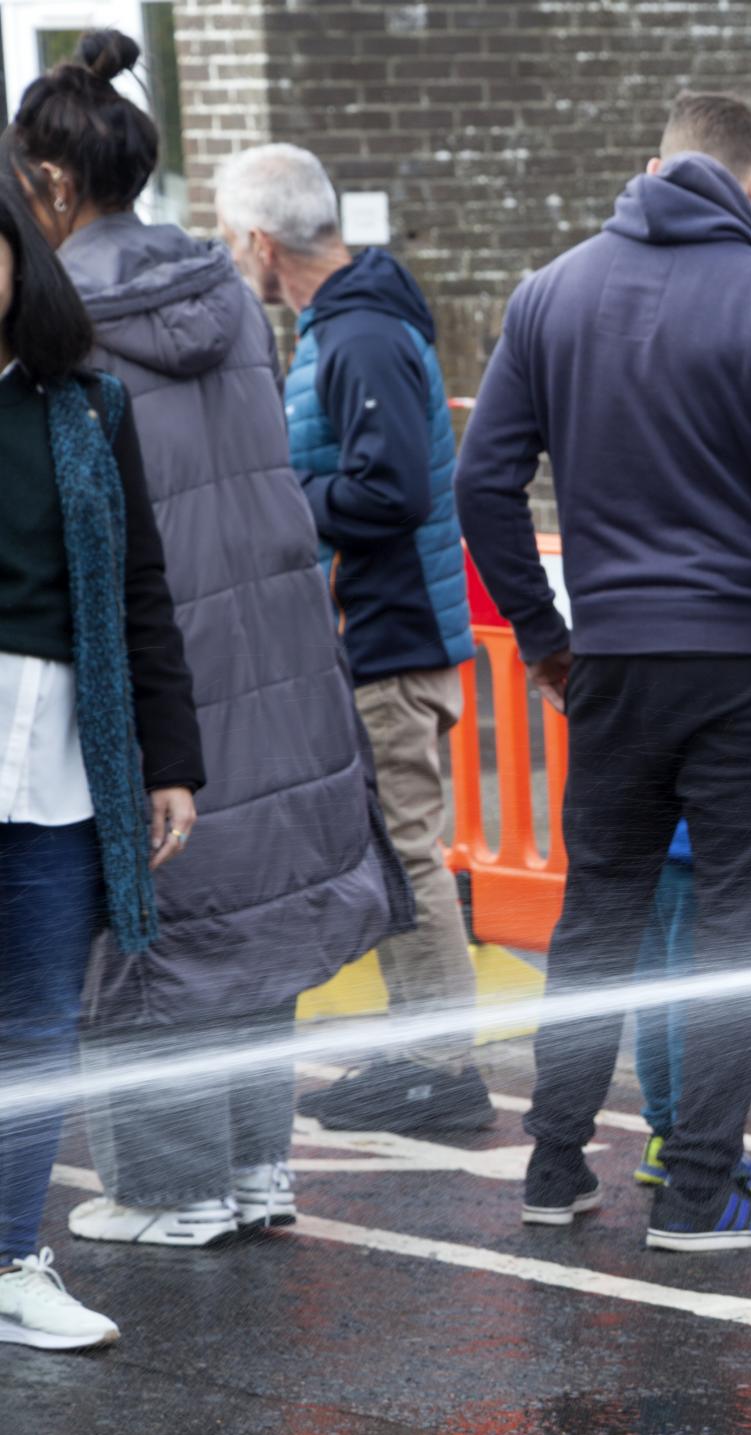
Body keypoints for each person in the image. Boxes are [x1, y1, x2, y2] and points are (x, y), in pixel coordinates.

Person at [9, 32, 408, 1249]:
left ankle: (173, 1190)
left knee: (158, 929)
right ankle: (256, 1175)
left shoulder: (66, 322)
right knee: (257, 918)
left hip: (159, 655)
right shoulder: (224, 293)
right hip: (279, 647)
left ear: (54, 186)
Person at [456, 90, 751, 1252]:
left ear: (651, 167)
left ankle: (553, 1162)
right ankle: (698, 1191)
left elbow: (483, 486)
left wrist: (544, 638)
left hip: (615, 660)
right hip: (750, 666)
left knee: (597, 915)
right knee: (738, 931)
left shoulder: (550, 294)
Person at [212, 139, 492, 1136]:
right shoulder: (354, 320)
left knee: (408, 852)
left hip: (392, 636)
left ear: (258, 240)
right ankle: (420, 1052)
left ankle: (442, 1069)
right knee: (391, 850)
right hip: (386, 631)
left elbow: (390, 490)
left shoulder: (360, 333)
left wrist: (277, 493)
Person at [0, 176, 200, 1347]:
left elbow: (140, 590)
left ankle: (14, 1259)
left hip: (61, 765)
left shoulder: (85, 407)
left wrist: (169, 761)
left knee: (35, 1027)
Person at [626, 824, 751, 1199]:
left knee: (654, 1002)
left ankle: (662, 1139)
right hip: (702, 855)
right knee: (691, 1010)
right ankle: (691, 1145)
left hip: (641, 849)